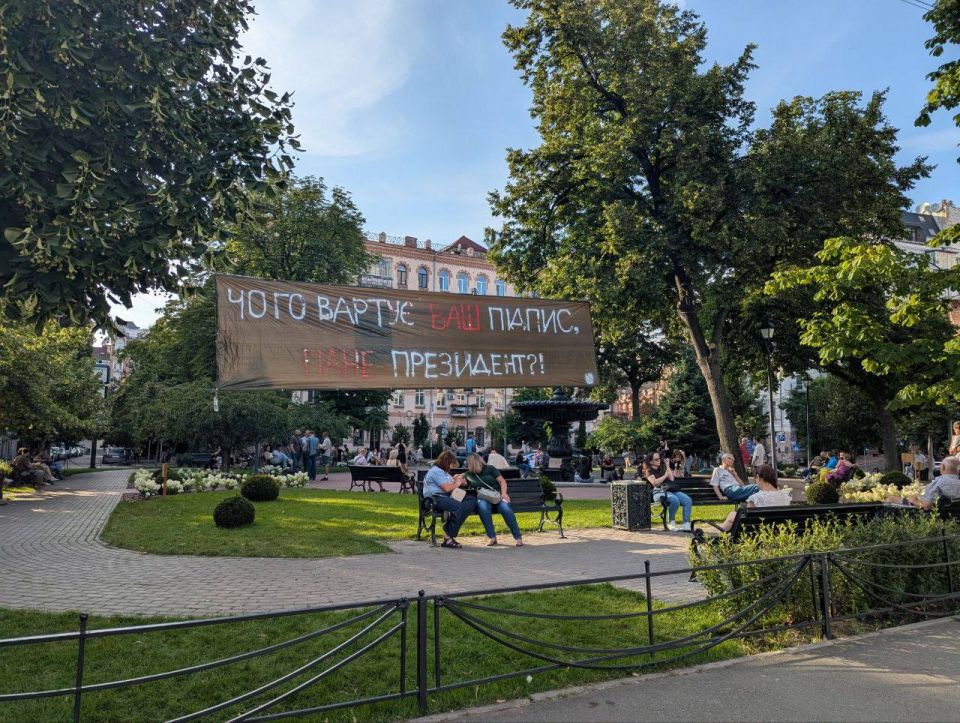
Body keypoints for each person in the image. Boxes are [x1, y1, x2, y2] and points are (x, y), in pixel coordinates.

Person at [463, 453, 524, 546]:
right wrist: (458, 479)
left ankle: (518, 537)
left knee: (506, 509)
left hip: (497, 496)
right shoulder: (468, 474)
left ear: (473, 463)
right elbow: (461, 481)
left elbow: (502, 481)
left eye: (468, 464)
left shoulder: (490, 469)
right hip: (483, 498)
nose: (467, 466)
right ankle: (492, 537)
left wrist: (504, 494)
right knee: (483, 507)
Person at [423, 450, 477, 548]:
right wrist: (457, 484)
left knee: (471, 500)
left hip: (445, 497)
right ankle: (448, 538)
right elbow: (447, 488)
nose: (452, 467)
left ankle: (448, 532)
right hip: (434, 499)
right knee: (458, 507)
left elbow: (450, 484)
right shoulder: (435, 471)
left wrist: (457, 479)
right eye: (451, 464)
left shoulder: (444, 473)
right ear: (446, 462)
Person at [715, 464, 793, 531]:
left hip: (760, 532)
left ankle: (720, 534)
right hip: (779, 531)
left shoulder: (754, 499)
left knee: (732, 516)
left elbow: (749, 522)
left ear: (758, 477)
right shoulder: (786, 496)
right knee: (733, 515)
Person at [644, 452, 692, 531]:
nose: (659, 460)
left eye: (659, 459)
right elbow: (655, 482)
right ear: (651, 461)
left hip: (670, 490)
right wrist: (665, 476)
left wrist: (667, 465)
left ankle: (686, 524)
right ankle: (671, 522)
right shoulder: (649, 471)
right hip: (658, 492)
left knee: (687, 500)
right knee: (675, 500)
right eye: (656, 459)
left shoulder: (662, 469)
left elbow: (672, 479)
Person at [890, 455, 960, 510]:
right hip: (951, 515)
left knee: (891, 499)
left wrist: (914, 501)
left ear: (943, 467)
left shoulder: (938, 483)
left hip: (924, 513)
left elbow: (927, 506)